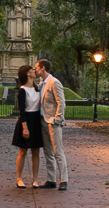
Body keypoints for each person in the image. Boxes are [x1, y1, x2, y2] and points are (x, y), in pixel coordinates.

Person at [35, 58, 68, 190]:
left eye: (37, 68)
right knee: (48, 152)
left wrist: (57, 119)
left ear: (42, 68)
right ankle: (51, 180)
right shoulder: (41, 83)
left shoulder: (54, 82)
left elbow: (61, 102)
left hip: (53, 122)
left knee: (58, 152)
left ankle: (64, 180)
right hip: (43, 121)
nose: (36, 70)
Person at [11, 64, 44, 188]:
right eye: (32, 70)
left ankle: (35, 179)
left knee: (36, 151)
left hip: (36, 120)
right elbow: (22, 110)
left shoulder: (37, 88)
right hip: (26, 120)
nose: (35, 71)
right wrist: (25, 127)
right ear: (27, 74)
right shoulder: (22, 90)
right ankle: (19, 178)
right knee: (23, 151)